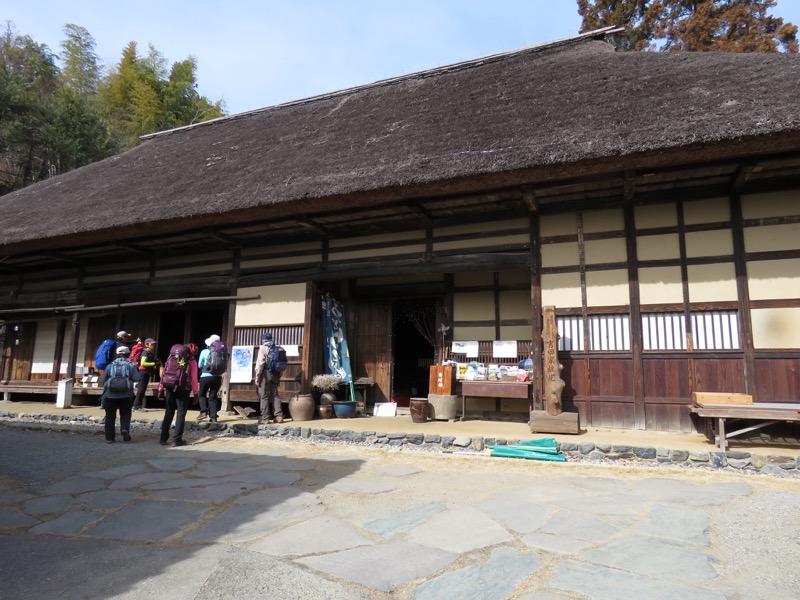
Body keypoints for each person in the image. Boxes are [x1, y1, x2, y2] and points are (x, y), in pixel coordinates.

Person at [158, 343, 199, 448]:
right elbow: (194, 379)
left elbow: (164, 373)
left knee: (169, 411)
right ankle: (176, 440)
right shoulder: (192, 362)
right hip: (183, 389)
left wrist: (160, 388)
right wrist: (195, 393)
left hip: (170, 386)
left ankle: (163, 438)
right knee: (181, 413)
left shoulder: (172, 359)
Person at [101, 345, 139, 443]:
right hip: (126, 395)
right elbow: (136, 378)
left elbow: (103, 380)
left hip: (110, 394)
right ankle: (124, 429)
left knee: (110, 416)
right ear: (127, 354)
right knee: (125, 414)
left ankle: (109, 438)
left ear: (117, 354)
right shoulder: (131, 365)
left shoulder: (110, 365)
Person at [254, 332, 283, 424]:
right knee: (275, 394)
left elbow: (260, 363)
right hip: (276, 373)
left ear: (263, 340)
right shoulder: (278, 347)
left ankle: (265, 418)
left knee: (264, 396)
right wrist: (279, 374)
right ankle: (279, 416)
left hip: (265, 373)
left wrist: (257, 376)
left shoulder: (263, 348)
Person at [197, 334, 222, 422]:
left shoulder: (204, 351)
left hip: (206, 376)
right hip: (218, 377)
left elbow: (199, 365)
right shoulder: (222, 351)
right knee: (213, 396)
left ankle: (203, 412)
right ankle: (213, 417)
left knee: (202, 394)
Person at [132, 338, 158, 412]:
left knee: (142, 390)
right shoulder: (145, 352)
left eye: (154, 344)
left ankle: (137, 406)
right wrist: (154, 363)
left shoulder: (149, 352)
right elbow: (143, 363)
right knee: (141, 390)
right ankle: (136, 406)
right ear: (147, 344)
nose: (154, 345)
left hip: (146, 372)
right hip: (143, 372)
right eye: (152, 344)